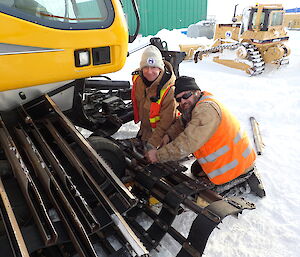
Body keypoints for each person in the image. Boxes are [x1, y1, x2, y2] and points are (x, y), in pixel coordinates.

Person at [145, 75, 256, 186]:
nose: (183, 101)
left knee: (199, 199)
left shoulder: (206, 110)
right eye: (179, 99)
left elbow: (187, 143)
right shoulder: (198, 104)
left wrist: (158, 156)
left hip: (236, 164)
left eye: (186, 95)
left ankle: (243, 182)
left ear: (196, 92)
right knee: (196, 170)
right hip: (233, 155)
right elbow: (182, 122)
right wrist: (168, 136)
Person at [131, 45, 178, 149]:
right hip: (145, 132)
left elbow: (166, 123)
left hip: (161, 138)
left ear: (160, 69)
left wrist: (152, 144)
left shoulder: (169, 91)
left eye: (153, 67)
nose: (149, 71)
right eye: (146, 67)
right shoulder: (138, 81)